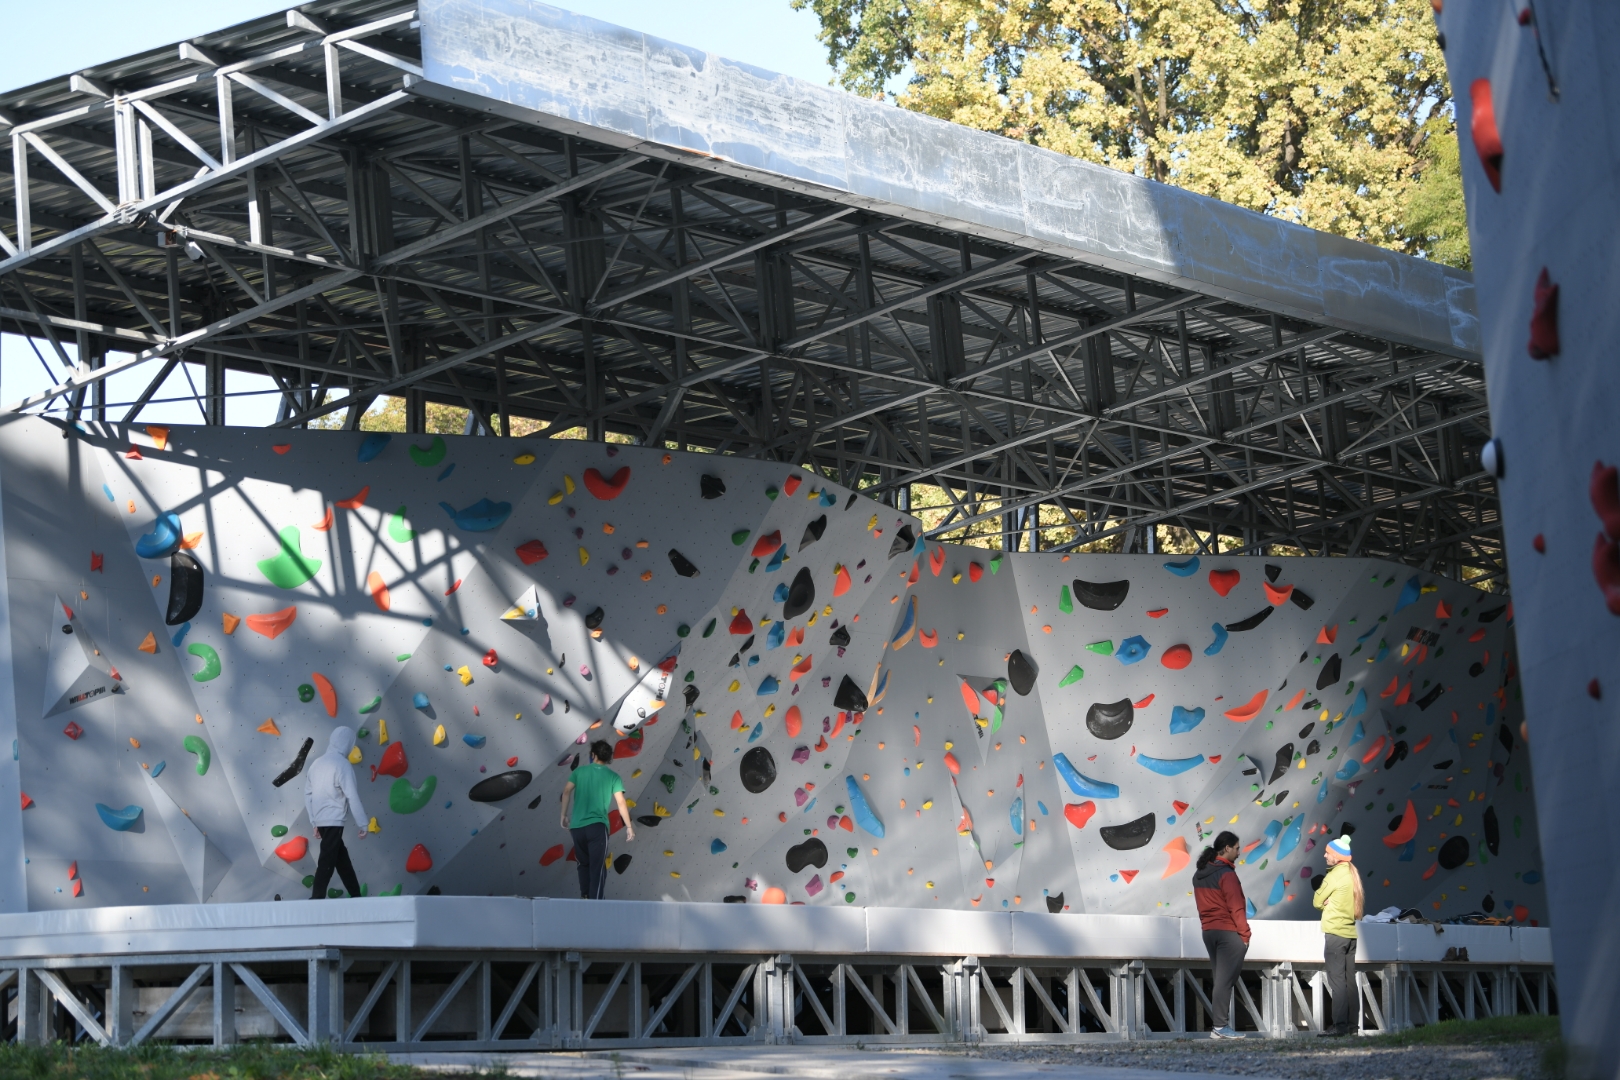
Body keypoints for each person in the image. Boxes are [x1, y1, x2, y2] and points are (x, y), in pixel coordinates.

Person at [1193, 831, 1250, 1039]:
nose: (1239, 852)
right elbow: (1236, 908)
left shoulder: (1199, 874)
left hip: (1208, 931)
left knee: (1220, 979)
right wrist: (1245, 935)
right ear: (1226, 848)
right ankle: (1220, 1027)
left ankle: (1219, 1026)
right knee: (1225, 981)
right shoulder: (1227, 874)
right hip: (1228, 932)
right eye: (1236, 848)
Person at [560, 740, 635, 899]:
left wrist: (564, 815)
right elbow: (621, 802)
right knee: (597, 866)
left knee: (583, 864)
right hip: (597, 827)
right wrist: (628, 826)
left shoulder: (579, 772)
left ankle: (585, 895)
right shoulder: (613, 777)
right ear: (608, 758)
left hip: (577, 827)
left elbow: (566, 792)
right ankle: (596, 901)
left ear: (593, 755)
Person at [304, 726, 368, 900]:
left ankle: (356, 894)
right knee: (327, 860)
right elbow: (352, 796)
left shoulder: (316, 764)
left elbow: (307, 794)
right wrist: (363, 823)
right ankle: (316, 898)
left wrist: (314, 821)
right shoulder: (343, 765)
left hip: (321, 820)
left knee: (341, 860)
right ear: (348, 744)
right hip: (334, 820)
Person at [1313, 833, 1365, 1036]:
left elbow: (1317, 900)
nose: (1325, 856)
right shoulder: (1352, 875)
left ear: (1337, 856)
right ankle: (1352, 1027)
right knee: (1349, 981)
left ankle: (1339, 1026)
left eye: (1328, 853)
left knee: (1337, 982)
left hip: (1335, 934)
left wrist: (1325, 902)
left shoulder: (1334, 875)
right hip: (1350, 934)